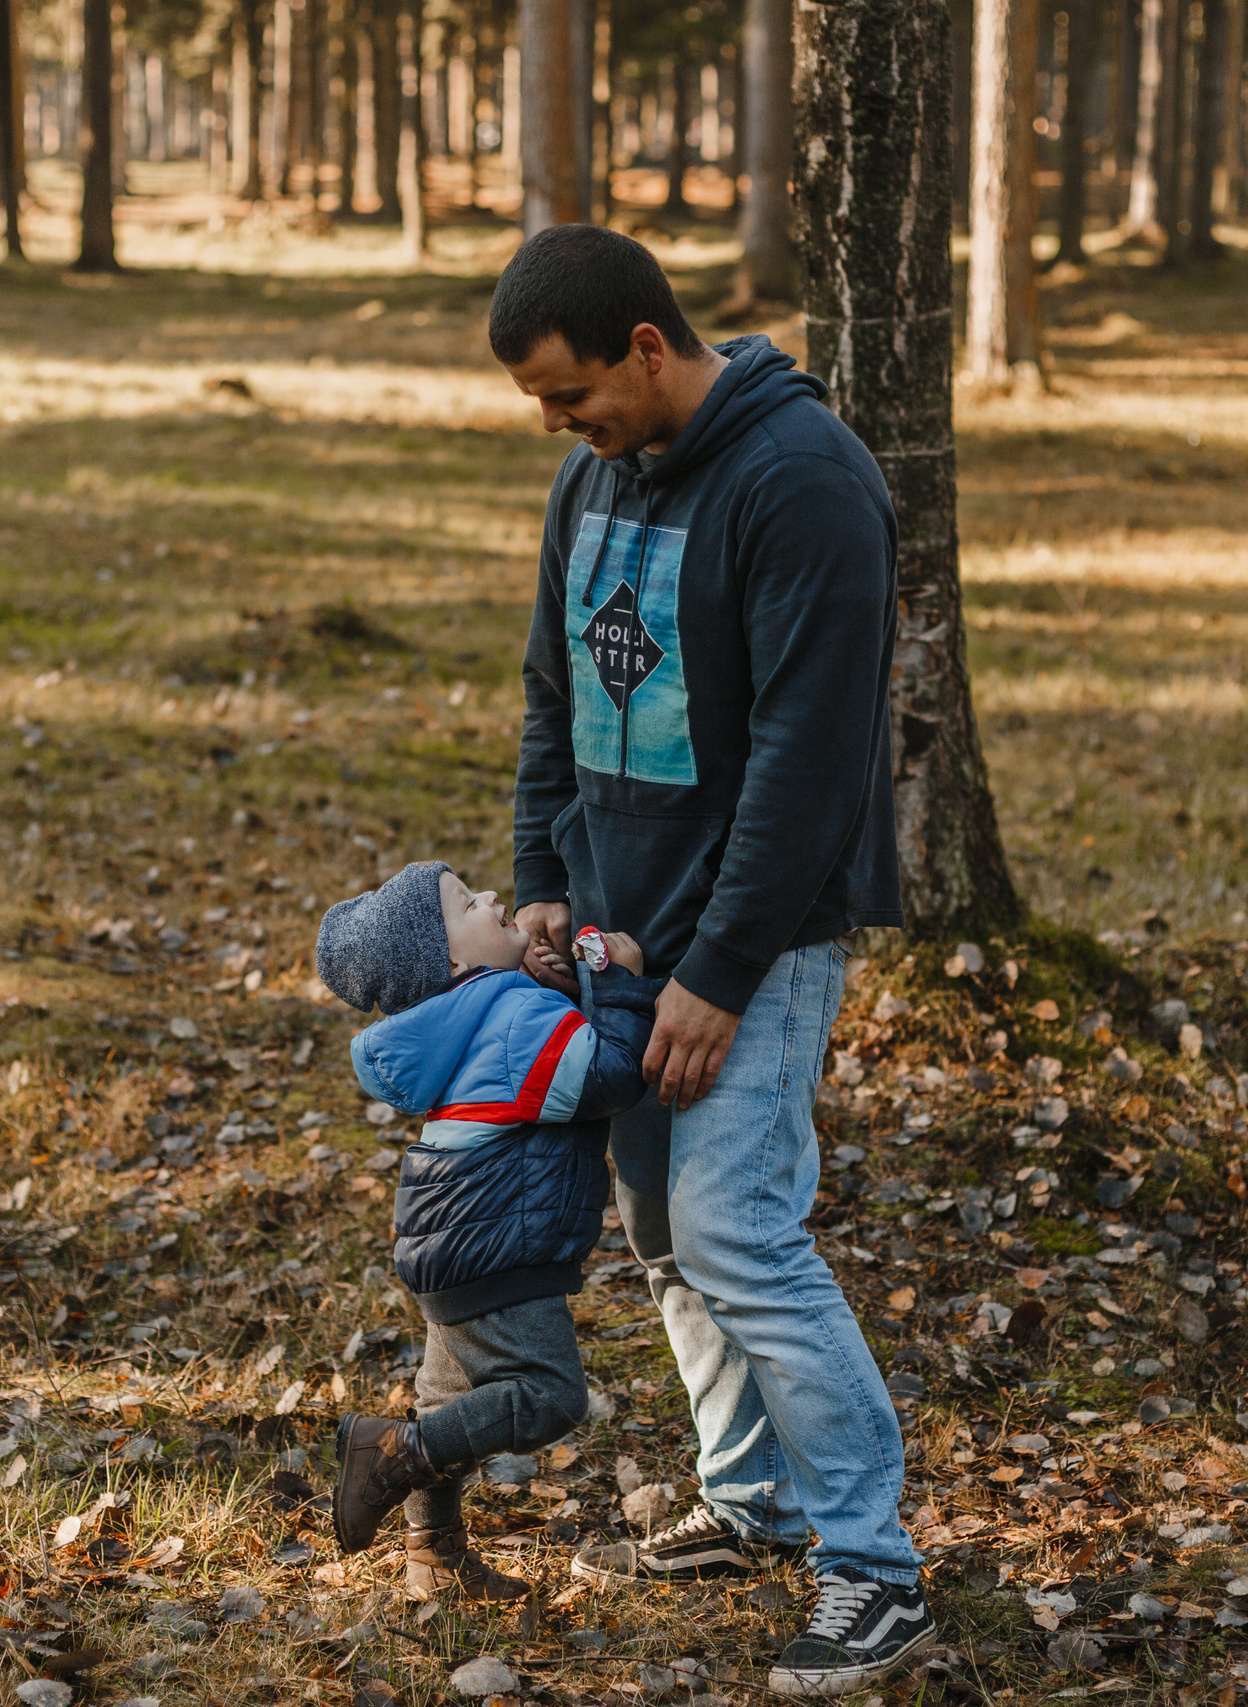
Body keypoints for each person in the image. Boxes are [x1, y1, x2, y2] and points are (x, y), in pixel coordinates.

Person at [491, 224, 935, 1698]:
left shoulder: (803, 481)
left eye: (571, 395)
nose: (560, 428)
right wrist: (543, 884)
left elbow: (814, 768)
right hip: (617, 937)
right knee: (670, 1238)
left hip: (757, 937)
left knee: (743, 1233)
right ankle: (754, 1498)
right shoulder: (588, 483)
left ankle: (874, 1570)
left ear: (643, 343)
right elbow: (553, 696)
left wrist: (720, 970)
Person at [316, 858, 665, 1602]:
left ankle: (432, 1557)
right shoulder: (511, 1017)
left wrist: (543, 978)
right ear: (450, 959)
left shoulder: (479, 1011)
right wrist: (626, 984)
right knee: (547, 1393)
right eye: (466, 903)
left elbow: (536, 1052)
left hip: (453, 1238)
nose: (492, 897)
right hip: (497, 1242)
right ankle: (392, 1453)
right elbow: (605, 1073)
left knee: (449, 1400)